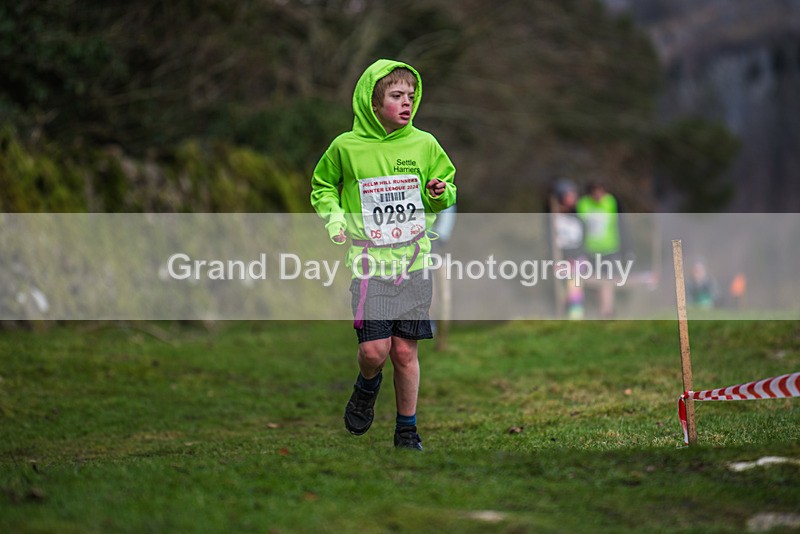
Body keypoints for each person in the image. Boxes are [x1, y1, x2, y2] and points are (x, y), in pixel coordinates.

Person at [310, 59, 457, 451]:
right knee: (375, 351)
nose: (407, 102)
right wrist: (335, 220)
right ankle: (367, 384)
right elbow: (322, 186)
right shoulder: (346, 147)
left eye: (411, 96)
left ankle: (407, 431)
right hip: (370, 265)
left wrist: (439, 192)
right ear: (373, 103)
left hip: (415, 262)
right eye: (396, 96)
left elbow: (445, 189)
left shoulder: (425, 144)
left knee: (405, 352)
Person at [576, 181, 623, 318]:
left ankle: (607, 311)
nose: (598, 195)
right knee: (596, 281)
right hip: (590, 250)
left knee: (608, 280)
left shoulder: (610, 201)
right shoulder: (583, 204)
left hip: (610, 248)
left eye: (601, 191)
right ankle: (601, 310)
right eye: (596, 192)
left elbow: (619, 222)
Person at [546, 179, 586, 319]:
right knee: (562, 291)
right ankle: (564, 316)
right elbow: (551, 241)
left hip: (577, 258)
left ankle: (576, 319)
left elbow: (583, 237)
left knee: (574, 289)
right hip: (561, 258)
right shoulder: (554, 218)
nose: (574, 197)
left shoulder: (578, 214)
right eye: (570, 194)